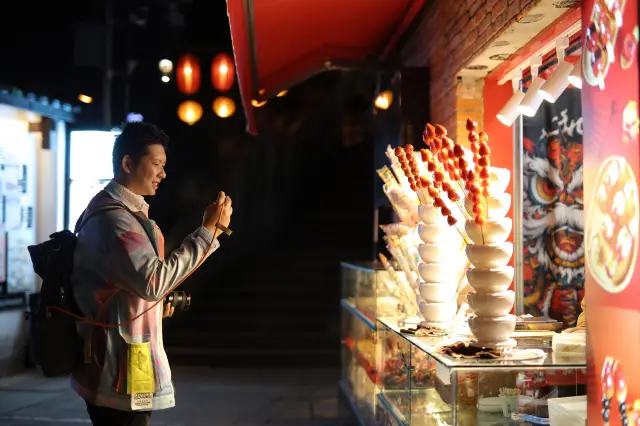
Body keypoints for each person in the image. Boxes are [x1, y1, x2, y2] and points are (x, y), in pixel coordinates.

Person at [69, 122, 233, 426]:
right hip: (120, 369)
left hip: (123, 361)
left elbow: (134, 287)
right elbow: (153, 281)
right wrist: (210, 231)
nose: (163, 174)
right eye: (156, 164)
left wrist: (152, 308)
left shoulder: (120, 213)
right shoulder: (117, 222)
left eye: (164, 165)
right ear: (128, 163)